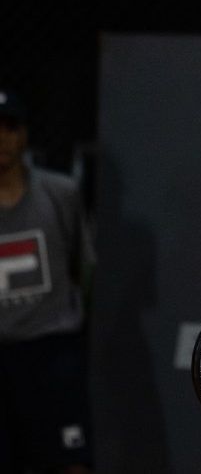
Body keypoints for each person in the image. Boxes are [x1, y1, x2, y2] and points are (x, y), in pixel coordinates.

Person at [0, 88, 95, 474]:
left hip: (53, 354)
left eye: (9, 127)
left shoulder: (60, 194)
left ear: (24, 135)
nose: (1, 139)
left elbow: (81, 267)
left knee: (72, 463)